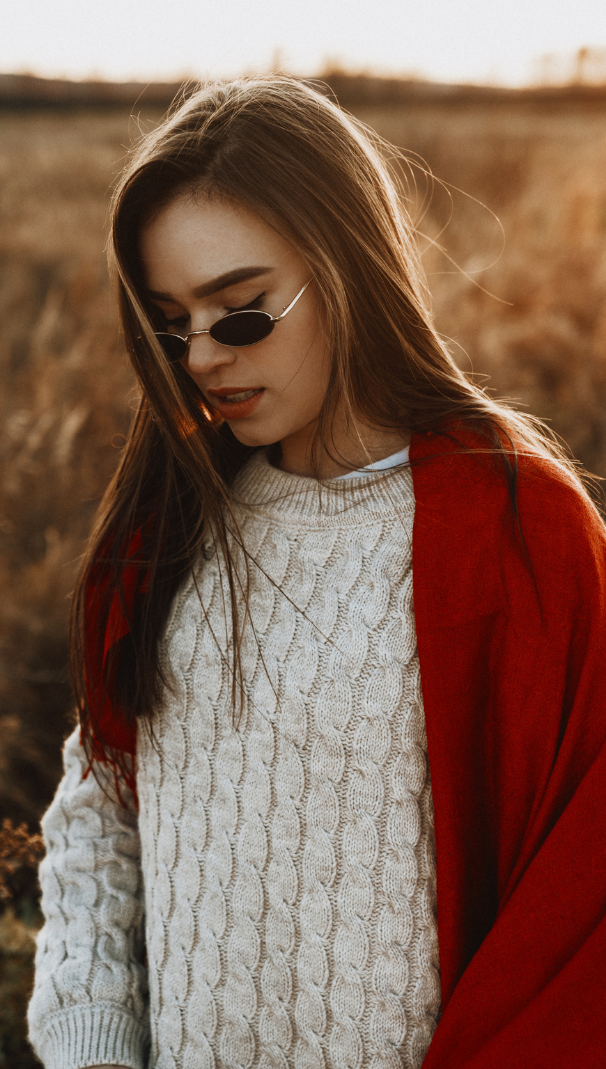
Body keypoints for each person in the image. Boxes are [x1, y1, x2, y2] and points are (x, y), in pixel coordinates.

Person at [28, 77, 606, 1069]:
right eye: (171, 322)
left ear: (349, 267)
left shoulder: (515, 525)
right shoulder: (173, 522)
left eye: (240, 314)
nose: (200, 358)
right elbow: (103, 804)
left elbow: (576, 904)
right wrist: (94, 1044)